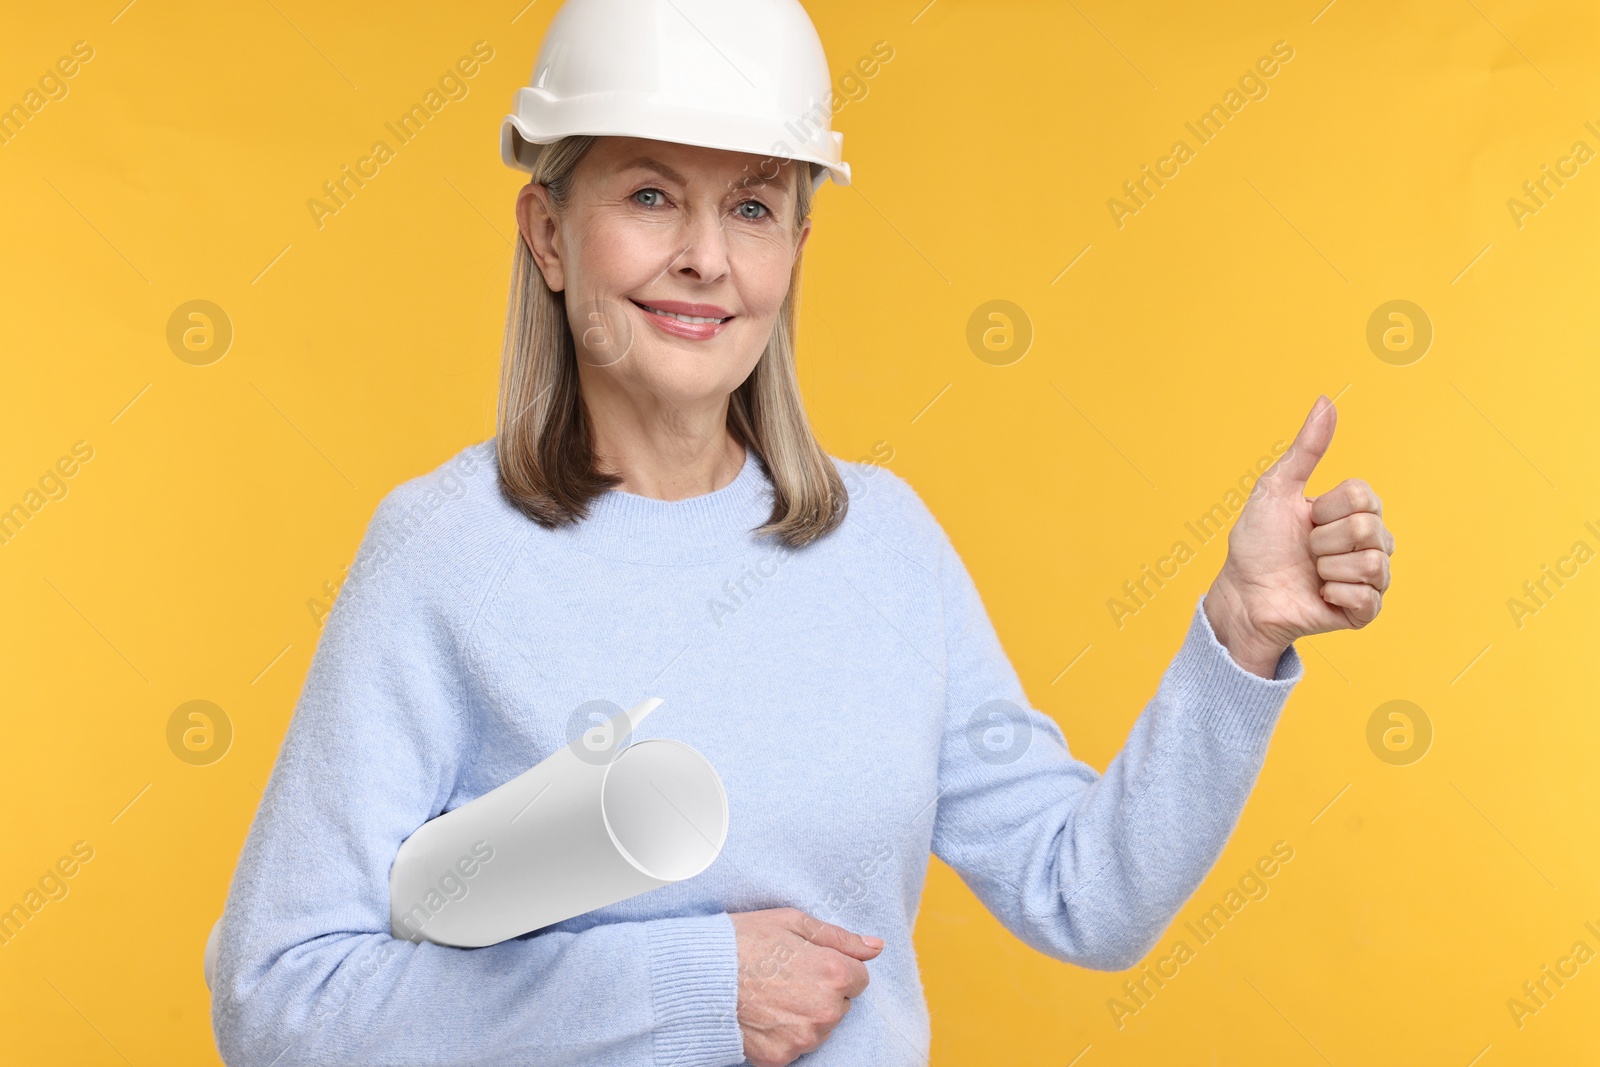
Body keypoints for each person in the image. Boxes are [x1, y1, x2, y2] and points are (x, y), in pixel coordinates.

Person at [209, 1, 1394, 1065]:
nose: (706, 258)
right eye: (649, 193)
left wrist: (1237, 637)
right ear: (549, 234)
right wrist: (688, 985)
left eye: (754, 205)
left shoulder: (883, 546)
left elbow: (1085, 892)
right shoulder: (444, 553)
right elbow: (277, 998)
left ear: (795, 249)